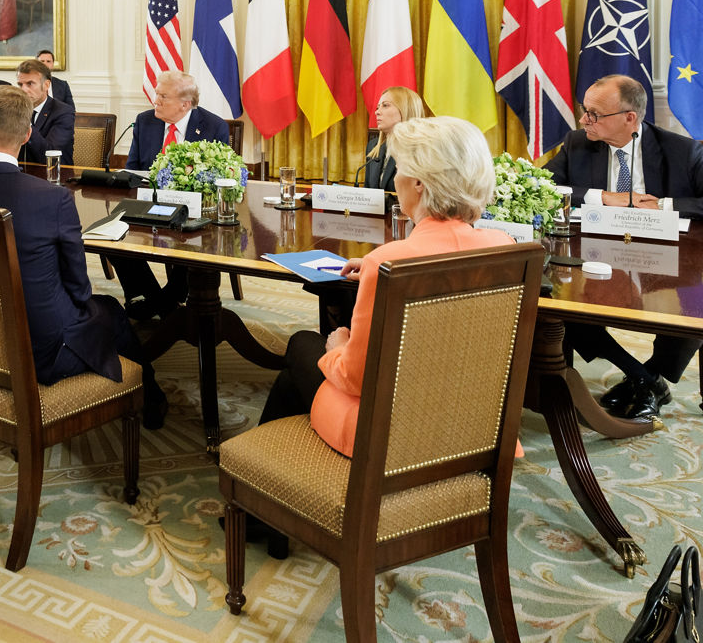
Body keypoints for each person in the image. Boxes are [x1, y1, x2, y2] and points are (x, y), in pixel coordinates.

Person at [236, 116, 513, 553]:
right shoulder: (506, 250)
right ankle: (264, 516)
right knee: (299, 363)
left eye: (400, 168)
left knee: (303, 346)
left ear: (419, 184)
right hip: (472, 427)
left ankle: (261, 510)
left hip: (391, 437)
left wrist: (339, 344)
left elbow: (355, 378)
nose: (395, 177)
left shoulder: (393, 261)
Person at [0, 85, 168, 428]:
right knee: (111, 310)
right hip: (40, 354)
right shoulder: (52, 199)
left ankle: (150, 394)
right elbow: (78, 287)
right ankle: (151, 397)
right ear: (27, 134)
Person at [545, 74, 703, 419]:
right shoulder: (577, 143)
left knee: (697, 299)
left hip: (667, 257)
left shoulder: (681, 150)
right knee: (553, 299)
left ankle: (651, 376)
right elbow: (544, 185)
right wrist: (602, 197)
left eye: (594, 114)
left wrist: (662, 205)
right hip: (597, 254)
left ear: (629, 118)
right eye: (585, 111)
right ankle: (645, 379)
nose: (585, 120)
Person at [116, 71, 231, 317]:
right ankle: (151, 296)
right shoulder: (145, 121)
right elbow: (133, 169)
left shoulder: (213, 126)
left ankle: (166, 299)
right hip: (149, 202)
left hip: (193, 209)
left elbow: (220, 179)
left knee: (189, 238)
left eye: (162, 96)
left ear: (185, 104)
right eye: (157, 94)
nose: (155, 101)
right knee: (113, 233)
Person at [362, 86, 424, 192]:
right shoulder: (373, 146)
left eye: (385, 105)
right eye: (378, 107)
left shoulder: (420, 149)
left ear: (406, 109)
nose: (377, 112)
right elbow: (367, 193)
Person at [15, 59, 74, 164]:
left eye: (30, 84)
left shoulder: (63, 112)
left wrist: (25, 121)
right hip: (20, 173)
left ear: (46, 85)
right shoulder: (13, 110)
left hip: (54, 175)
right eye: (20, 84)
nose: (23, 90)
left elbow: (50, 155)